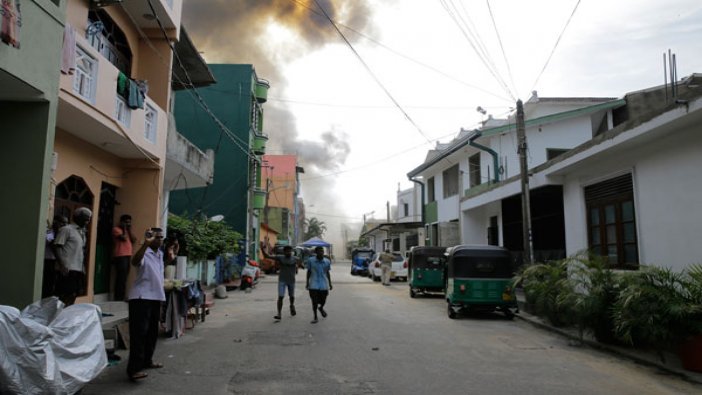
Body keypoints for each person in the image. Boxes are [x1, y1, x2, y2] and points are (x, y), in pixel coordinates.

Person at [126, 227, 178, 382]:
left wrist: (172, 254)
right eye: (157, 237)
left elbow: (159, 269)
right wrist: (145, 244)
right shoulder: (144, 252)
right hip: (141, 298)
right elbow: (135, 261)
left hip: (156, 297)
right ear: (150, 237)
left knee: (151, 333)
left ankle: (147, 360)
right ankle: (133, 369)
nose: (160, 240)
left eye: (161, 237)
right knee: (139, 334)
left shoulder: (159, 254)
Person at [53, 207, 92, 306]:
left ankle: (66, 315)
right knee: (63, 295)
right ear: (77, 217)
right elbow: (57, 246)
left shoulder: (82, 232)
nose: (88, 220)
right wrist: (62, 265)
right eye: (86, 218)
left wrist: (83, 268)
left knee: (74, 294)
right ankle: (58, 316)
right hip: (67, 269)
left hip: (77, 269)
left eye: (89, 218)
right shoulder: (66, 230)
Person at [264, 245, 300, 321]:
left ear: (292, 251)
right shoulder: (280, 257)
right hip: (282, 280)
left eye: (290, 251)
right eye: (287, 251)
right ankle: (279, 313)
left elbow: (302, 264)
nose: (288, 252)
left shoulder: (295, 259)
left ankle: (291, 305)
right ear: (284, 252)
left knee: (291, 296)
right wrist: (262, 249)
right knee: (280, 296)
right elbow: (267, 256)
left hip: (291, 280)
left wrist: (300, 264)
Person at [42, 214, 68, 298]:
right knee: (47, 284)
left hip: (56, 263)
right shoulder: (50, 232)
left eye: (66, 223)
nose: (64, 225)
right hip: (48, 261)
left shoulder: (62, 234)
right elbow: (52, 245)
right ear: (55, 222)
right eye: (62, 223)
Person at [112, 214, 137, 301]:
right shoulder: (116, 230)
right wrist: (124, 229)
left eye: (129, 222)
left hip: (127, 255)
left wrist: (128, 229)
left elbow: (134, 240)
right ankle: (118, 297)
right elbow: (123, 238)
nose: (128, 224)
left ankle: (122, 296)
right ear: (121, 222)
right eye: (126, 222)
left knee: (124, 277)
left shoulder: (128, 231)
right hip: (120, 255)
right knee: (120, 277)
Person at [305, 246, 332, 324]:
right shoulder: (311, 260)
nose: (321, 253)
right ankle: (315, 317)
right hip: (313, 284)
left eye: (322, 251)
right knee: (314, 301)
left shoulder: (327, 261)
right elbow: (309, 271)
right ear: (316, 252)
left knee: (323, 300)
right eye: (319, 251)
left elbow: (327, 272)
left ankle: (321, 308)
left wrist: (330, 283)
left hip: (323, 284)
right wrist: (307, 282)